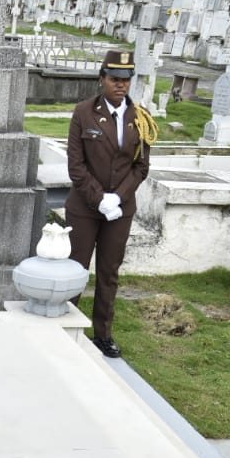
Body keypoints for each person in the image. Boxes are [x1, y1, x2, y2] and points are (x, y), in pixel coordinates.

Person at [65, 49, 156, 359]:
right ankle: (66, 328)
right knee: (76, 268)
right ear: (102, 78)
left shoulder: (140, 118)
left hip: (120, 210)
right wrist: (99, 198)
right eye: (115, 79)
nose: (121, 85)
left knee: (109, 272)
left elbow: (141, 166)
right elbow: (76, 166)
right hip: (85, 207)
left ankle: (102, 334)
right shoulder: (83, 112)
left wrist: (118, 197)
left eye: (126, 80)